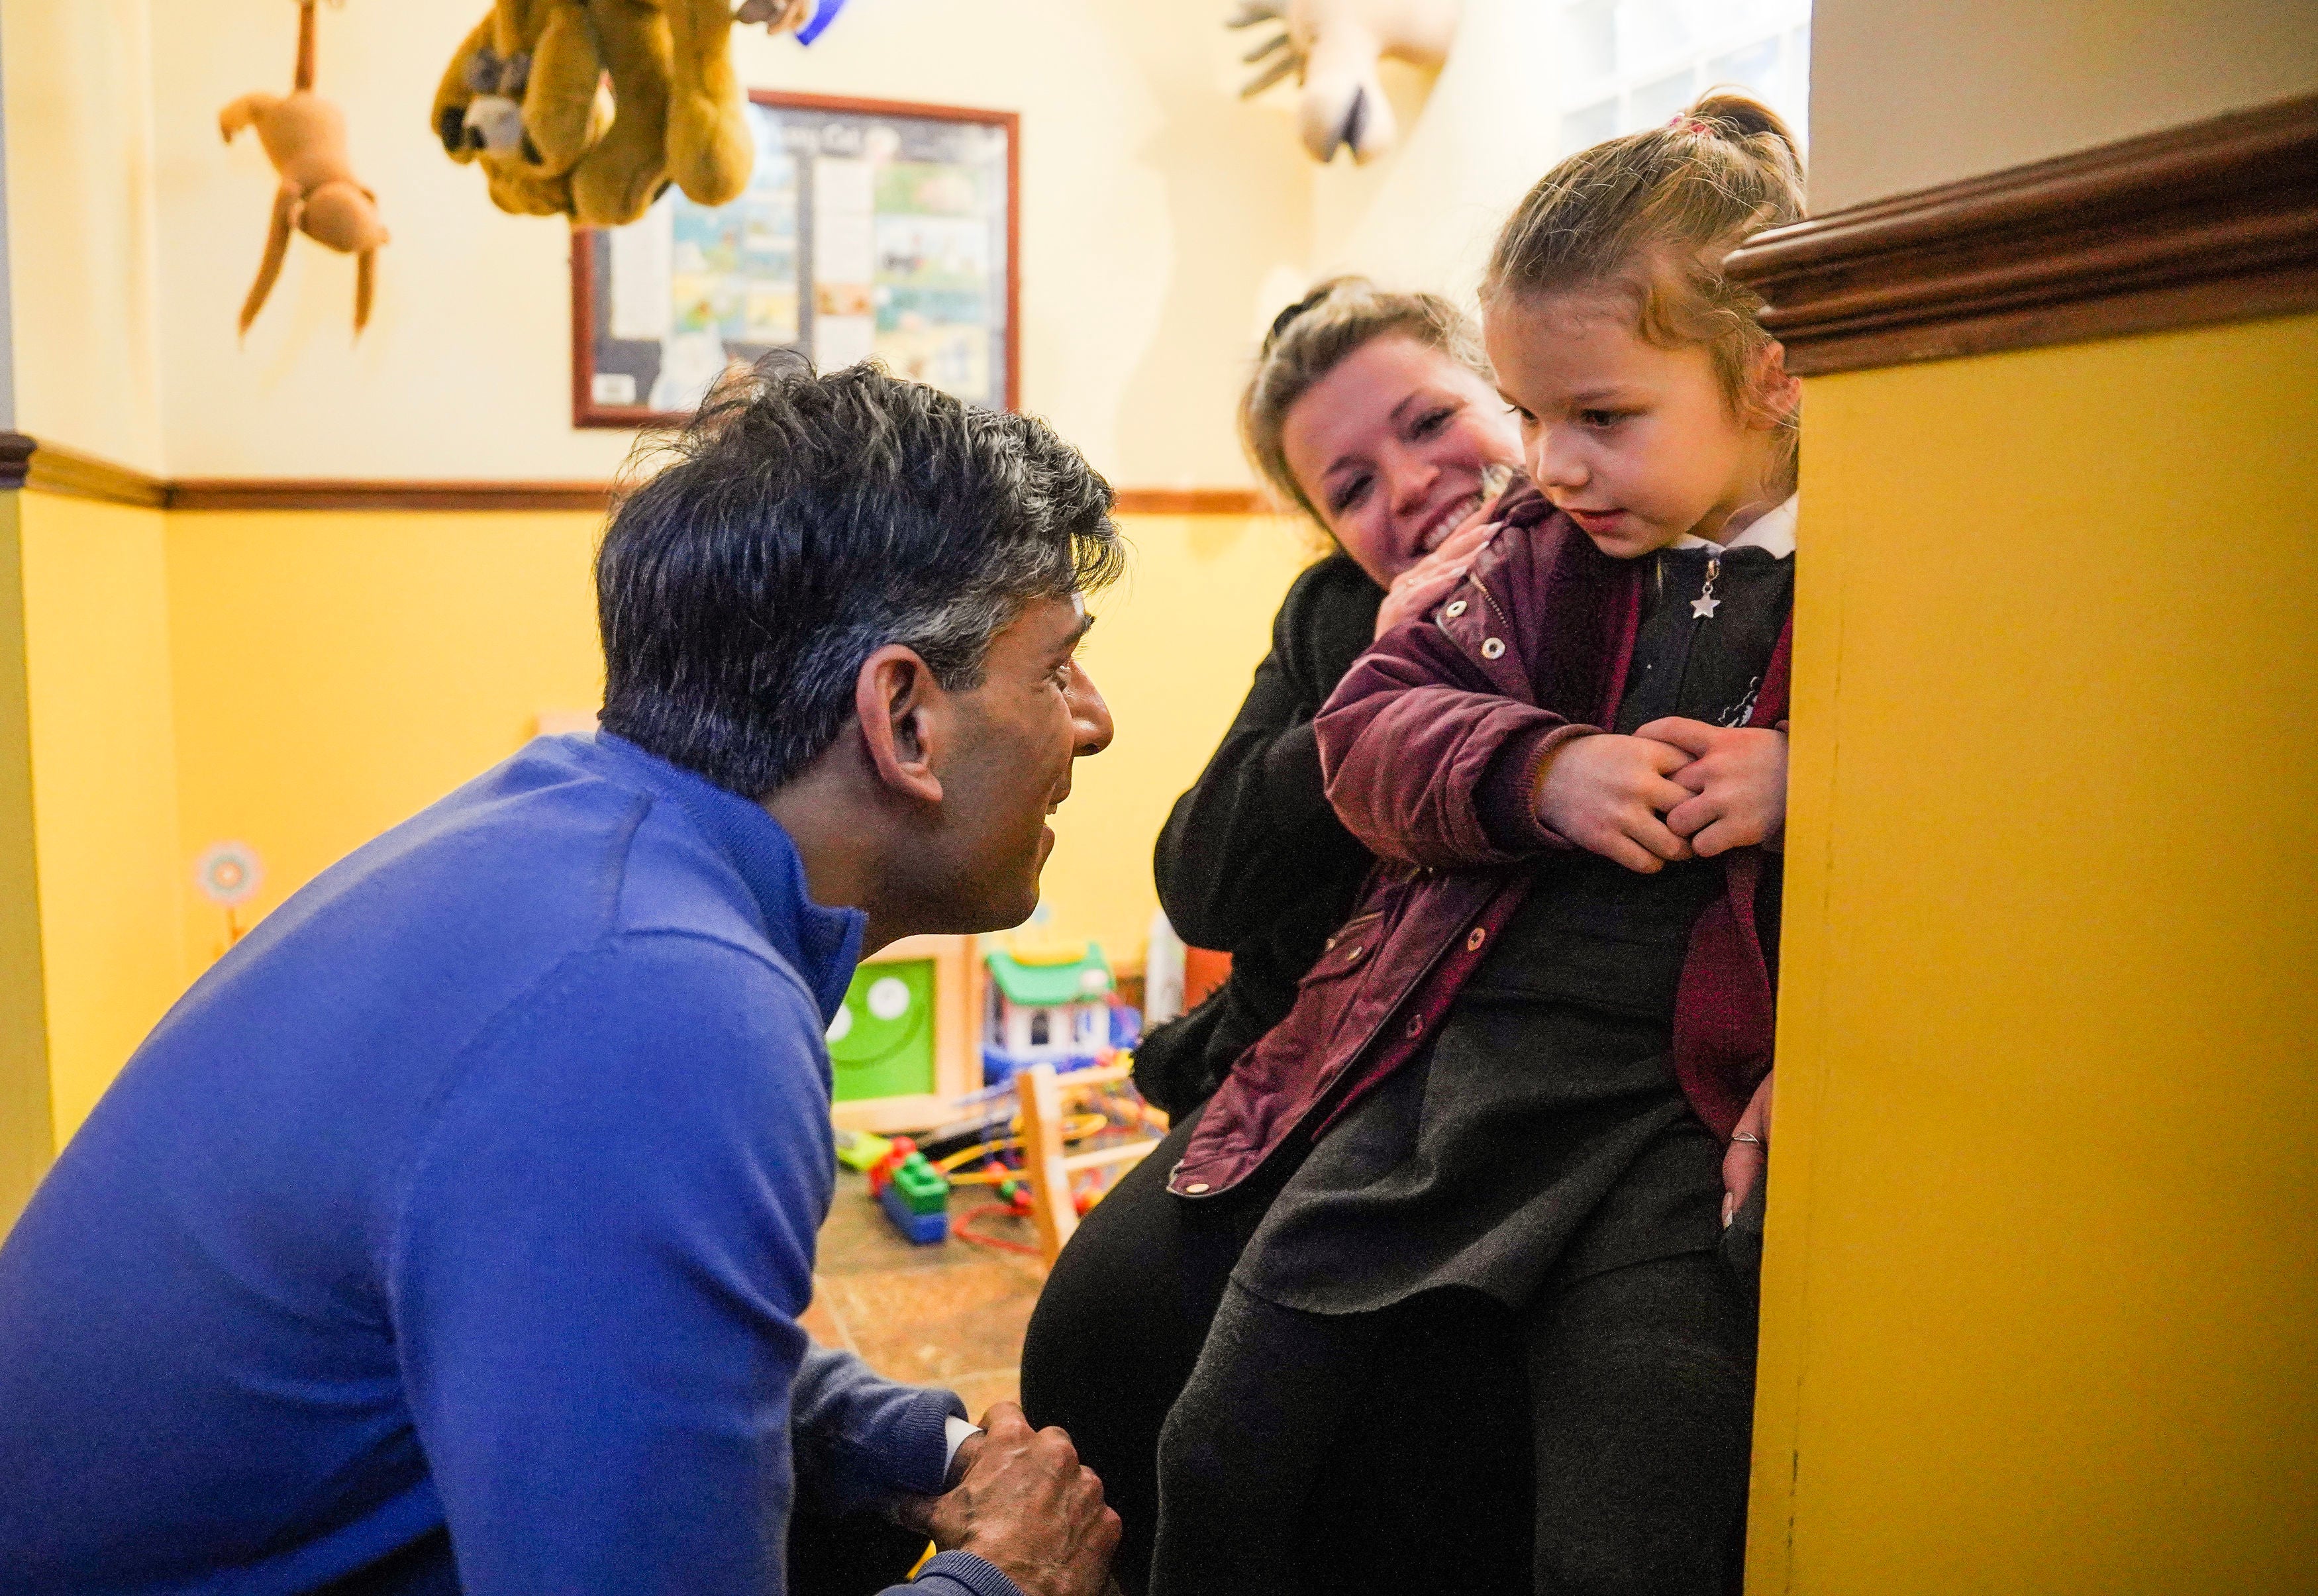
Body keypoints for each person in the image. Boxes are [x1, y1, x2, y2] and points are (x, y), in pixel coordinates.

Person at [0, 359, 1124, 1596]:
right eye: (1056, 667)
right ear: (905, 718)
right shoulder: (667, 1014)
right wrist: (1010, 1581)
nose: (1095, 718)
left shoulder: (580, 838)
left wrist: (908, 1441)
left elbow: (590, 1340)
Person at [1150, 93, 1805, 1596]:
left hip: (1667, 1132)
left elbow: (1989, 784)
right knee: (1212, 1453)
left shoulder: (1881, 557)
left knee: (1623, 1538)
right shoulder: (1530, 554)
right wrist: (1539, 764)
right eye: (1534, 414)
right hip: (1442, 1086)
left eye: (1601, 418)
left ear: (1771, 375)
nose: (1549, 466)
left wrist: (1811, 779)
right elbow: (1366, 731)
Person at [1021, 280, 1540, 1593]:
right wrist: (1376, 678)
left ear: (1513, 393)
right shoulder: (1329, 617)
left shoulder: (1624, 589)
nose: (1411, 485)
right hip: (1290, 1060)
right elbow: (1199, 877)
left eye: (1433, 421)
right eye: (1351, 484)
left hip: (1471, 1086)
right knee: (1104, 1329)